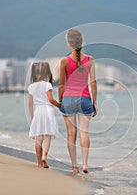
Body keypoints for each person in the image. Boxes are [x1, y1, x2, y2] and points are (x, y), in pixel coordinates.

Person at [58, 28, 98, 175]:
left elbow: (61, 85)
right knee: (84, 132)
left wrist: (60, 101)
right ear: (82, 42)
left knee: (71, 134)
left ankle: (74, 166)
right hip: (85, 98)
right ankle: (85, 165)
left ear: (68, 43)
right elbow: (93, 83)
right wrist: (95, 103)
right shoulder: (90, 60)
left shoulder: (64, 61)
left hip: (68, 99)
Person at [28, 62, 60, 168]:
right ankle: (44, 157)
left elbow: (30, 104)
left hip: (38, 112)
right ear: (46, 73)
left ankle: (38, 162)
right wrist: (59, 105)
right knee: (47, 136)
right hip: (47, 111)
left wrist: (32, 117)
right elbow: (50, 100)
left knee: (38, 137)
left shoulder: (31, 87)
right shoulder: (47, 85)